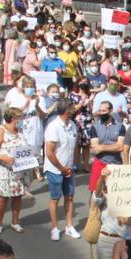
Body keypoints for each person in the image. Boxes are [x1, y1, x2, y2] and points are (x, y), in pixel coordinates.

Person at [0, 107, 32, 234]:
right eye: (20, 118)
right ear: (12, 119)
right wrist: (4, 158)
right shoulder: (0, 131)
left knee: (17, 196)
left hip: (19, 170)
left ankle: (15, 222)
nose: (22, 121)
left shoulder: (20, 130)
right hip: (3, 170)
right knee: (3, 198)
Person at [43, 99, 81, 241]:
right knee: (55, 198)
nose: (74, 111)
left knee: (69, 197)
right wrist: (61, 168)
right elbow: (50, 152)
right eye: (72, 109)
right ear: (66, 111)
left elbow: (75, 146)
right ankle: (54, 228)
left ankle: (69, 226)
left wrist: (74, 165)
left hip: (69, 169)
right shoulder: (53, 127)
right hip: (55, 170)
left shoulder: (72, 125)